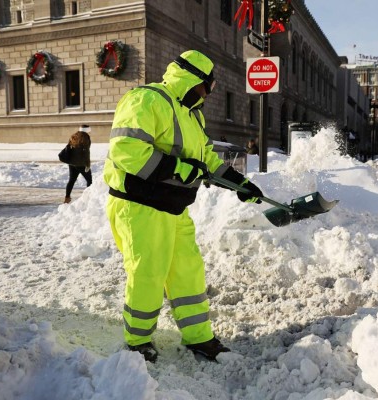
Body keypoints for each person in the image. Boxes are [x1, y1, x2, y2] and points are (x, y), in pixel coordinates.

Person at [103, 50, 264, 363]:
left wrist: (238, 184)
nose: (208, 94)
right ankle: (137, 341)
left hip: (174, 207)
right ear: (191, 79)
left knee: (188, 272)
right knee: (148, 272)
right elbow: (125, 149)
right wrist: (176, 168)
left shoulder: (192, 114)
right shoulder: (147, 100)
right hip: (139, 205)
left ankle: (199, 337)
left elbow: (206, 160)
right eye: (207, 87)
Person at [64, 125, 92, 203]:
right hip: (81, 164)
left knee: (71, 180)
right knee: (89, 180)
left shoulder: (73, 136)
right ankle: (89, 197)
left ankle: (67, 198)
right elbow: (86, 152)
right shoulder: (86, 138)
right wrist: (87, 164)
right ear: (86, 130)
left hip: (72, 163)